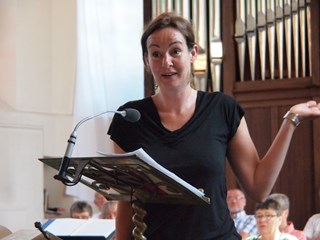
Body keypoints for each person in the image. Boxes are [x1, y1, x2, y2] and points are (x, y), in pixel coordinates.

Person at [107, 11, 320, 239]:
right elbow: (127, 202)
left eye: (175, 51)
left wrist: (291, 121)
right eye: (156, 54)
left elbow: (259, 188)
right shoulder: (130, 118)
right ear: (146, 61)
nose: (166, 61)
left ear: (193, 53)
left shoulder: (222, 109)